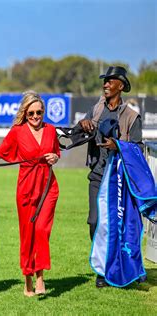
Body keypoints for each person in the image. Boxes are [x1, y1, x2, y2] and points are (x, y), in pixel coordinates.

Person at [0, 91, 60, 297]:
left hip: (49, 186)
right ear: (25, 114)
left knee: (41, 230)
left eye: (39, 112)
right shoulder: (17, 131)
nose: (36, 117)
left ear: (43, 112)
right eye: (31, 113)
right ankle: (28, 279)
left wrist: (55, 157)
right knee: (27, 234)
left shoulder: (51, 130)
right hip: (27, 187)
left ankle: (40, 278)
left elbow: (57, 151)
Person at [78, 66, 142, 288]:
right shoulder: (95, 109)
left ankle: (111, 271)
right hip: (97, 176)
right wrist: (82, 124)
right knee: (95, 222)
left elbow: (138, 150)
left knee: (118, 226)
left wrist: (118, 146)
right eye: (105, 81)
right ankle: (103, 265)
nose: (105, 84)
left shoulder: (132, 117)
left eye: (110, 81)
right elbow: (79, 130)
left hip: (119, 181)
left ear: (121, 86)